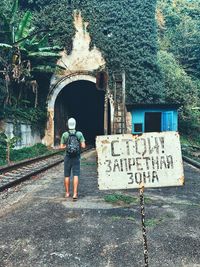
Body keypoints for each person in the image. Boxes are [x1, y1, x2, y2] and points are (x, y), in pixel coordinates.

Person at [60, 118, 85, 201]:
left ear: (68, 124)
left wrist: (67, 146)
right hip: (76, 157)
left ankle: (67, 193)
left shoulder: (65, 134)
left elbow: (61, 146)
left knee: (67, 175)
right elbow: (83, 146)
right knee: (76, 175)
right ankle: (75, 194)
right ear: (75, 124)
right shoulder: (79, 134)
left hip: (67, 157)